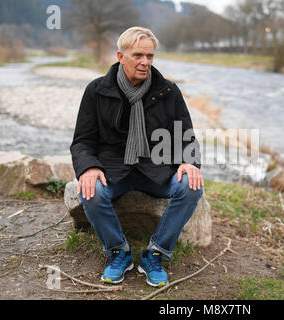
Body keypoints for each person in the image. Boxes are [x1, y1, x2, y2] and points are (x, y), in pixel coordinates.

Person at [70, 26, 204, 287]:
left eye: (150, 56)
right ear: (120, 56)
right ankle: (119, 251)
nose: (145, 62)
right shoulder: (97, 91)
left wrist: (189, 162)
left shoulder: (168, 91)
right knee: (90, 190)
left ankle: (155, 254)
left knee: (191, 184)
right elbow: (83, 141)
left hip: (157, 170)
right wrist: (88, 168)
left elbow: (185, 137)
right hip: (113, 170)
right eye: (138, 55)